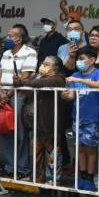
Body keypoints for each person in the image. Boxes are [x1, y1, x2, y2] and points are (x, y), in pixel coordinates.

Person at [62, 47, 99, 196]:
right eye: (78, 59)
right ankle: (81, 176)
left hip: (92, 117)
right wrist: (65, 94)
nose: (79, 62)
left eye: (83, 59)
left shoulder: (98, 73)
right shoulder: (75, 74)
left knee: (91, 148)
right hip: (77, 117)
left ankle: (89, 177)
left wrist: (79, 80)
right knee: (79, 147)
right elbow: (71, 97)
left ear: (92, 60)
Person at [16, 56, 66, 184]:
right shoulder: (38, 78)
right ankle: (37, 177)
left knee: (52, 154)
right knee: (36, 152)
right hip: (37, 123)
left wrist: (25, 82)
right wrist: (19, 83)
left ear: (55, 68)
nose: (43, 66)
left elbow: (40, 84)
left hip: (51, 123)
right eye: (43, 63)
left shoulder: (58, 78)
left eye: (47, 64)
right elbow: (28, 92)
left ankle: (53, 179)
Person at [0, 25, 37, 178]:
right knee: (5, 129)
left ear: (19, 38)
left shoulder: (30, 52)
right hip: (3, 95)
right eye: (8, 34)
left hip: (18, 94)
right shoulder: (6, 53)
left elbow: (26, 77)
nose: (7, 38)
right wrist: (0, 92)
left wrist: (8, 94)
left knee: (19, 132)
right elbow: (0, 74)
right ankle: (9, 166)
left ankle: (22, 168)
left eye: (11, 35)